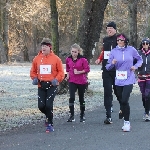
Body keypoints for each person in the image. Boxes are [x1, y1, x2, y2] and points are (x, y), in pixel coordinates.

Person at [106, 33, 143, 131]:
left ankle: (127, 123)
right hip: (118, 79)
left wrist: (135, 67)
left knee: (125, 100)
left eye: (121, 40)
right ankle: (122, 110)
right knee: (121, 100)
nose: (119, 42)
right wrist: (112, 63)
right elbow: (107, 66)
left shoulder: (131, 50)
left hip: (129, 78)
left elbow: (140, 60)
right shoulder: (114, 51)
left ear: (125, 41)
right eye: (117, 40)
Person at [30, 38, 65, 133]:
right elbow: (33, 72)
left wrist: (57, 79)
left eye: (45, 46)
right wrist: (34, 78)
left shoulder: (56, 59)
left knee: (48, 105)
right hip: (41, 85)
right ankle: (48, 116)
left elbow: (61, 72)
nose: (43, 48)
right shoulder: (37, 59)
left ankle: (50, 123)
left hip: (52, 85)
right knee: (41, 106)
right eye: (42, 46)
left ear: (50, 47)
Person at [95, 21, 119, 124]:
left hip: (117, 70)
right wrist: (99, 59)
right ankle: (108, 115)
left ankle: (123, 107)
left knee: (118, 92)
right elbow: (104, 52)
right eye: (107, 28)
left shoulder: (119, 39)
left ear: (115, 30)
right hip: (106, 70)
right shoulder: (105, 40)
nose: (109, 30)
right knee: (107, 92)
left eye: (111, 28)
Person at [66, 43, 90, 122]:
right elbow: (67, 68)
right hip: (72, 80)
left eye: (75, 52)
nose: (73, 54)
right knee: (72, 97)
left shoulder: (83, 59)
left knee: (81, 98)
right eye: (72, 52)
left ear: (78, 52)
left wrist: (79, 72)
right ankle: (72, 115)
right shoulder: (68, 59)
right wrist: (68, 75)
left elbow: (87, 69)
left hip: (81, 81)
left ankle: (82, 114)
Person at [137, 38, 150, 121]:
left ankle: (146, 113)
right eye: (143, 43)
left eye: (146, 43)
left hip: (149, 76)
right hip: (141, 76)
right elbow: (133, 62)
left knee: (147, 94)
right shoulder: (138, 53)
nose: (145, 45)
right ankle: (147, 109)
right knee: (143, 95)